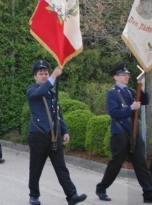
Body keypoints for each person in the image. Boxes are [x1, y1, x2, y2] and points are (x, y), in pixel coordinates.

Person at [26, 60, 87, 205]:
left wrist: (64, 130)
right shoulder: (32, 90)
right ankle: (34, 195)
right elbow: (40, 91)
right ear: (35, 76)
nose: (44, 76)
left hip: (54, 136)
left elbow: (58, 114)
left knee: (61, 167)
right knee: (36, 168)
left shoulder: (52, 93)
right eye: (41, 74)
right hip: (39, 136)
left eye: (46, 73)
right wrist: (54, 76)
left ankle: (71, 195)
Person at [96, 63, 152, 203]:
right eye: (123, 74)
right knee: (116, 164)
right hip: (120, 134)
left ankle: (148, 192)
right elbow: (113, 113)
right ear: (116, 77)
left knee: (140, 163)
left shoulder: (130, 91)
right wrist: (130, 108)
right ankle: (101, 188)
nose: (127, 76)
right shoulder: (112, 93)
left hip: (134, 133)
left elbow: (145, 101)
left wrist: (142, 87)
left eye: (127, 74)